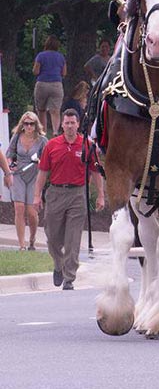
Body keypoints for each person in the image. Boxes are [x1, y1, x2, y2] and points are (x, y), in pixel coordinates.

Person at [33, 109, 105, 290]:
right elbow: (42, 172)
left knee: (73, 238)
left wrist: (101, 196)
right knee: (52, 237)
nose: (70, 126)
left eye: (73, 122)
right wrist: (37, 196)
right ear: (62, 124)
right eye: (67, 123)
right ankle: (58, 264)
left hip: (78, 194)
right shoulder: (52, 145)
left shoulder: (87, 145)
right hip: (56, 193)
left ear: (78, 124)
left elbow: (96, 172)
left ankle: (69, 277)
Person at [5, 112, 48, 251]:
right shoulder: (17, 137)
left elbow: (48, 161)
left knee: (31, 211)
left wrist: (40, 161)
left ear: (36, 125)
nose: (29, 126)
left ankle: (32, 238)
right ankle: (21, 245)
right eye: (26, 123)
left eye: (32, 123)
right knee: (19, 208)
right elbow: (8, 155)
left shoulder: (42, 140)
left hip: (35, 176)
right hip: (18, 174)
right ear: (22, 125)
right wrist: (11, 164)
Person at [33, 34, 66, 136]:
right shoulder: (61, 57)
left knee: (41, 110)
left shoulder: (41, 55)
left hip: (42, 84)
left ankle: (43, 132)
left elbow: (36, 71)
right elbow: (64, 73)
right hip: (56, 84)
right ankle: (55, 131)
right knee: (55, 110)